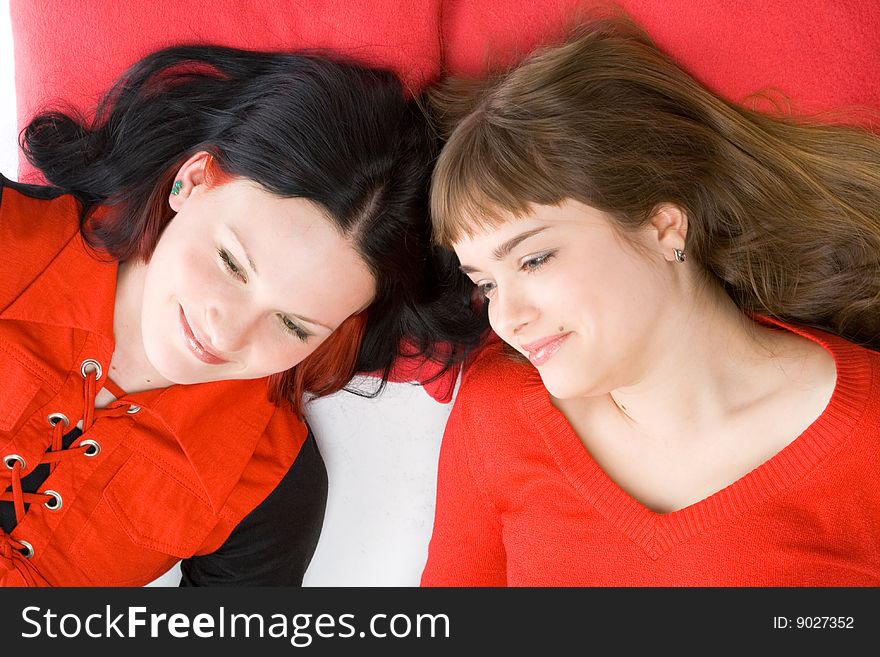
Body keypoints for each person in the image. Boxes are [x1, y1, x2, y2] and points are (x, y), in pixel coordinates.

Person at [420, 18, 880, 586]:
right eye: (485, 284)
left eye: (534, 259)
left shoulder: (866, 441)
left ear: (663, 226)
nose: (507, 317)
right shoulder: (497, 413)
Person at [0, 44, 481, 587]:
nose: (224, 333)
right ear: (193, 179)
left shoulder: (271, 483)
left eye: (294, 325)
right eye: (231, 263)